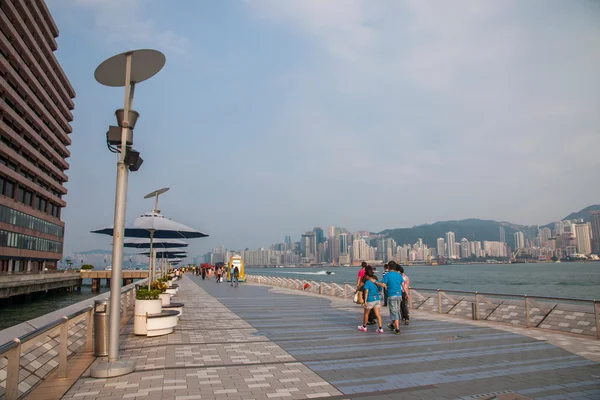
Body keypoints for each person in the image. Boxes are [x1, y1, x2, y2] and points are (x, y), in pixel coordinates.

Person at [358, 266, 385, 333]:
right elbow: (380, 288)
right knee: (378, 314)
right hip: (377, 299)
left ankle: (364, 327)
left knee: (366, 314)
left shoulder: (367, 282)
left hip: (370, 299)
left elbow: (366, 291)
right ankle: (380, 328)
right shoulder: (375, 280)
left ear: (367, 275)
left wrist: (365, 301)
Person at [383, 263, 404, 335]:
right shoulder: (399, 275)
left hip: (392, 295)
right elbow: (403, 285)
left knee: (394, 312)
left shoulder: (387, 275)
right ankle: (392, 325)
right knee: (396, 310)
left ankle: (397, 329)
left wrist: (375, 282)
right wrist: (407, 294)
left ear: (388, 267)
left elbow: (383, 284)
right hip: (399, 295)